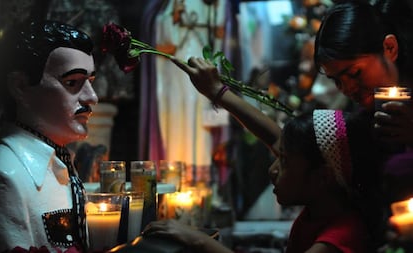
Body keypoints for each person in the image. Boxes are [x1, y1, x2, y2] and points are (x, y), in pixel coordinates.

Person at [142, 57, 384, 253]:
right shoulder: (325, 208)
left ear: (322, 176)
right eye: (279, 157)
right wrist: (215, 90)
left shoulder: (338, 238)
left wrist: (199, 241)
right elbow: (272, 135)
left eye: (285, 162)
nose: (273, 169)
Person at [0, 20, 98, 252]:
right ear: (20, 87)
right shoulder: (8, 175)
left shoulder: (60, 164)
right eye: (72, 82)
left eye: (90, 82)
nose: (92, 97)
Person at [313, 0, 413, 147]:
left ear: (389, 48)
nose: (347, 89)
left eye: (355, 73)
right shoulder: (362, 123)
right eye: (337, 81)